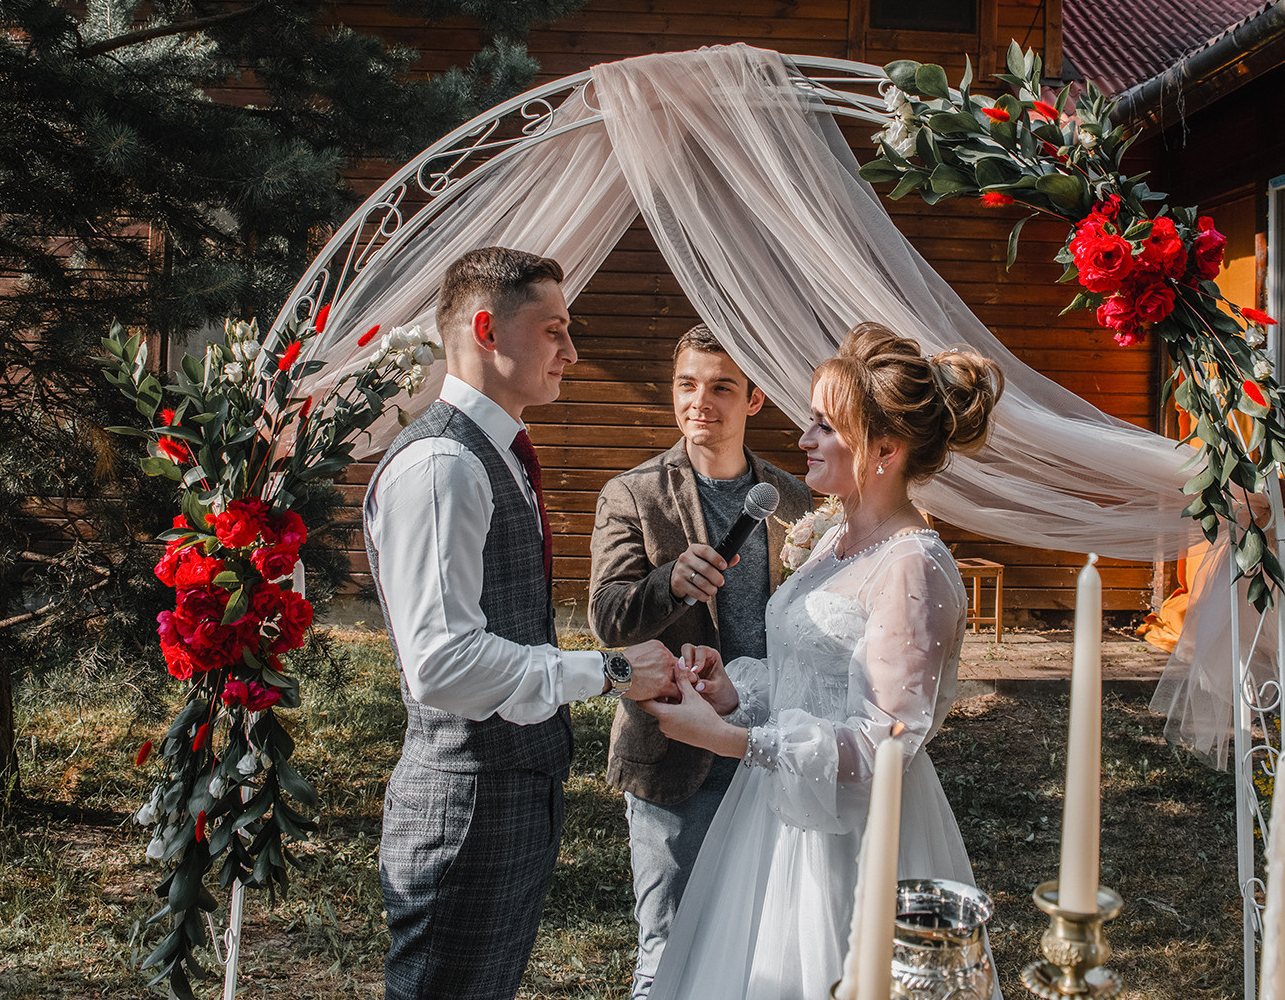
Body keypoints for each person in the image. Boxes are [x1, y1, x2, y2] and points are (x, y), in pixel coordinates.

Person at [639, 323, 1005, 1000]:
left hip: (852, 835)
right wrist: (734, 692)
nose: (804, 438)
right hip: (778, 809)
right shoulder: (835, 536)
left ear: (885, 450)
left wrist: (730, 740)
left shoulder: (913, 565)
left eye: (825, 427)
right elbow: (811, 679)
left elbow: (885, 742)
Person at [364, 247, 679, 1000]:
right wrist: (609, 669)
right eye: (553, 329)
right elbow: (442, 663)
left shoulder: (496, 452)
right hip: (465, 802)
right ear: (487, 331)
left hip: (508, 795)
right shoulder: (442, 465)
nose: (571, 351)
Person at [588, 324, 814, 1000]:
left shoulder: (796, 501)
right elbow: (607, 618)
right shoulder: (632, 494)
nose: (700, 402)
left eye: (721, 388)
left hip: (774, 745)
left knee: (767, 946)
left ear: (755, 399)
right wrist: (668, 584)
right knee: (667, 948)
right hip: (676, 755)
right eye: (687, 384)